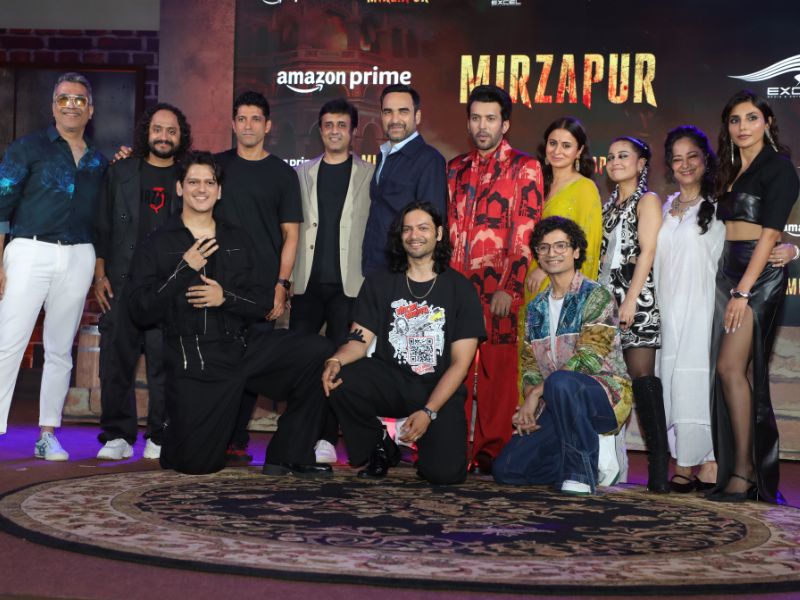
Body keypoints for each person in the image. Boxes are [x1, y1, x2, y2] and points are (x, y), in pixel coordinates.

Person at [127, 151, 334, 475]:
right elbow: (140, 311)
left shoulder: (237, 237)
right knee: (196, 464)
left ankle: (288, 453)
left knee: (318, 351)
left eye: (209, 182)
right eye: (193, 182)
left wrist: (225, 297)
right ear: (180, 187)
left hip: (241, 347)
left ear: (219, 190)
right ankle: (177, 435)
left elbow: (263, 303)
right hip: (194, 360)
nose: (202, 189)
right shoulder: (157, 243)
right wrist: (183, 269)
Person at [323, 202, 485, 485]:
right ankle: (380, 446)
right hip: (392, 381)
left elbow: (461, 364)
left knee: (445, 475)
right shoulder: (380, 282)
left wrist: (429, 411)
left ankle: (427, 449)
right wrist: (336, 360)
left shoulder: (461, 288)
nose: (414, 235)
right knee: (341, 378)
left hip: (438, 387)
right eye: (407, 229)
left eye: (423, 228)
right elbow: (358, 341)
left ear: (438, 234)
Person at [0, 72, 108, 458]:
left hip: (79, 254)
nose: (71, 106)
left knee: (61, 349)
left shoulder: (99, 161)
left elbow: (103, 219)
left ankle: (48, 434)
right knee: (8, 344)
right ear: (53, 106)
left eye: (79, 100)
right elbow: (1, 206)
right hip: (29, 250)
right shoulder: (26, 148)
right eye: (64, 99)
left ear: (90, 110)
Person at [493, 216, 632, 495]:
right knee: (507, 469)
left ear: (576, 251)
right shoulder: (535, 309)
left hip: (605, 396)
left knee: (561, 381)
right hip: (556, 402)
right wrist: (530, 405)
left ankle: (581, 472)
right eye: (544, 247)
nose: (552, 253)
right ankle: (582, 456)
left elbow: (589, 359)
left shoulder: (596, 295)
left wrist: (536, 394)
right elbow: (530, 366)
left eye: (560, 246)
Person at [447, 84, 543, 473]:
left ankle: (492, 451)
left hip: (500, 289)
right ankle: (452, 447)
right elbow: (450, 229)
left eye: (490, 118)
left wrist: (511, 286)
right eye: (475, 118)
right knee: (455, 367)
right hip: (457, 286)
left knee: (497, 374)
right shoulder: (455, 168)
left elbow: (526, 231)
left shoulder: (525, 167)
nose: (482, 126)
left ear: (505, 124)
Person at [708, 90, 799, 504]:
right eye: (735, 120)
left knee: (730, 368)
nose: (742, 127)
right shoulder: (729, 168)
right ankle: (738, 468)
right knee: (732, 372)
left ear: (767, 122)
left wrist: (743, 290)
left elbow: (769, 233)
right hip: (729, 271)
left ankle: (745, 473)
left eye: (751, 118)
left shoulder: (778, 166)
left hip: (756, 277)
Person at [93, 103, 192, 461]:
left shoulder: (189, 177)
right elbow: (102, 225)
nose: (164, 136)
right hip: (122, 284)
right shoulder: (121, 171)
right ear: (146, 132)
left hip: (168, 288)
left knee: (164, 365)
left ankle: (160, 435)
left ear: (181, 137)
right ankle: (117, 435)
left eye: (171, 131)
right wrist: (100, 274)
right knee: (115, 363)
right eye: (158, 129)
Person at [214, 91, 303, 465]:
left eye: (255, 119)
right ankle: (212, 436)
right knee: (216, 360)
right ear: (233, 124)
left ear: (268, 126)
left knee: (249, 364)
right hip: (216, 283)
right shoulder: (216, 167)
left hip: (261, 287)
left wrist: (281, 285)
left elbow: (291, 235)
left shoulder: (283, 174)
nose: (248, 125)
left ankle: (236, 440)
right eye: (242, 118)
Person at [291, 98, 374, 463]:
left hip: (348, 287)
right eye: (328, 125)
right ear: (320, 130)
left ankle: (327, 437)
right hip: (307, 284)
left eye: (342, 124)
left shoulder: (369, 175)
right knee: (301, 361)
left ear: (352, 131)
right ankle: (299, 431)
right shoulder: (302, 173)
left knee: (339, 363)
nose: (335, 131)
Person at [653, 126, 723, 493]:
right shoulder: (665, 208)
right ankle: (682, 460)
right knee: (672, 381)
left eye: (692, 156)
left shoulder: (721, 206)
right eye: (677, 159)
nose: (685, 165)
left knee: (697, 382)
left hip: (703, 307)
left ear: (705, 159)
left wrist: (789, 249)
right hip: (667, 309)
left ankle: (710, 461)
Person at [598, 136, 667, 492]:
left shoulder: (648, 200)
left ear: (641, 164)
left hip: (637, 299)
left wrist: (630, 300)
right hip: (605, 302)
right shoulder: (608, 205)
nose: (615, 161)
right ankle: (608, 463)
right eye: (611, 157)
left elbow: (648, 251)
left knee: (642, 378)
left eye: (623, 155)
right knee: (611, 381)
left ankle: (659, 467)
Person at [361, 84, 447, 276]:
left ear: (417, 116)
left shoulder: (429, 160)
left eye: (403, 111)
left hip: (405, 273)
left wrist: (419, 276)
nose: (395, 119)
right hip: (375, 269)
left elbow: (432, 224)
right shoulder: (383, 155)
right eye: (388, 112)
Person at [524, 117, 602, 295]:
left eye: (566, 146)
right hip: (528, 279)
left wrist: (544, 269)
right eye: (553, 143)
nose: (557, 151)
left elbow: (587, 245)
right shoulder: (536, 184)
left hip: (557, 283)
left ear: (579, 151)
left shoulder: (585, 188)